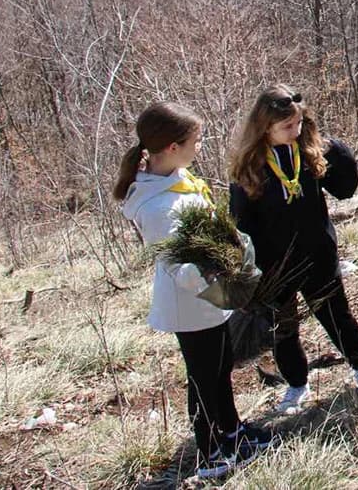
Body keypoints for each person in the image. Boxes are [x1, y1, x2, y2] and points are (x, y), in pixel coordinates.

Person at [116, 102, 271, 480]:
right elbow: (179, 268)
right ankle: (211, 452)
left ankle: (232, 432)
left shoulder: (176, 179)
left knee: (220, 369)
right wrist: (226, 279)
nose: (199, 146)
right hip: (192, 304)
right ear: (173, 147)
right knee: (204, 379)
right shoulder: (157, 206)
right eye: (196, 140)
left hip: (210, 300)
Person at [228, 86, 358, 412]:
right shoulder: (251, 168)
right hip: (274, 267)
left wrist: (339, 155)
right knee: (283, 331)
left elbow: (344, 189)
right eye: (287, 126)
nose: (295, 131)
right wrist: (248, 272)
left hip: (318, 256)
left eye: (299, 123)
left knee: (338, 316)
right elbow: (242, 224)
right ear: (265, 127)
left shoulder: (310, 153)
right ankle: (297, 384)